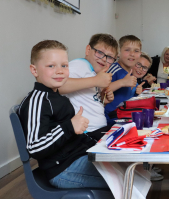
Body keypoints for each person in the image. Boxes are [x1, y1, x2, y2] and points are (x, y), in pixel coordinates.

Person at [18, 40, 108, 189]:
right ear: (34, 70)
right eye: (51, 66)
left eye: (64, 65)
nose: (59, 71)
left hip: (78, 158)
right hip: (64, 170)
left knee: (125, 167)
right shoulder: (38, 101)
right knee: (127, 177)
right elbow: (34, 147)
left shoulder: (57, 96)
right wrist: (69, 127)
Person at [59, 33, 118, 141]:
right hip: (87, 134)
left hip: (98, 130)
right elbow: (59, 86)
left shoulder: (93, 72)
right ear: (88, 50)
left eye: (110, 57)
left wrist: (103, 100)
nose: (104, 59)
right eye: (100, 52)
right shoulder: (79, 65)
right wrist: (95, 81)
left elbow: (89, 102)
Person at [105, 35, 141, 124]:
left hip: (125, 117)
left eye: (136, 51)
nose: (132, 54)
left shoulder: (129, 73)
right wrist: (122, 82)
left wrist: (137, 92)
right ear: (118, 53)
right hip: (111, 120)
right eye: (127, 50)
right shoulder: (113, 69)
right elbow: (99, 91)